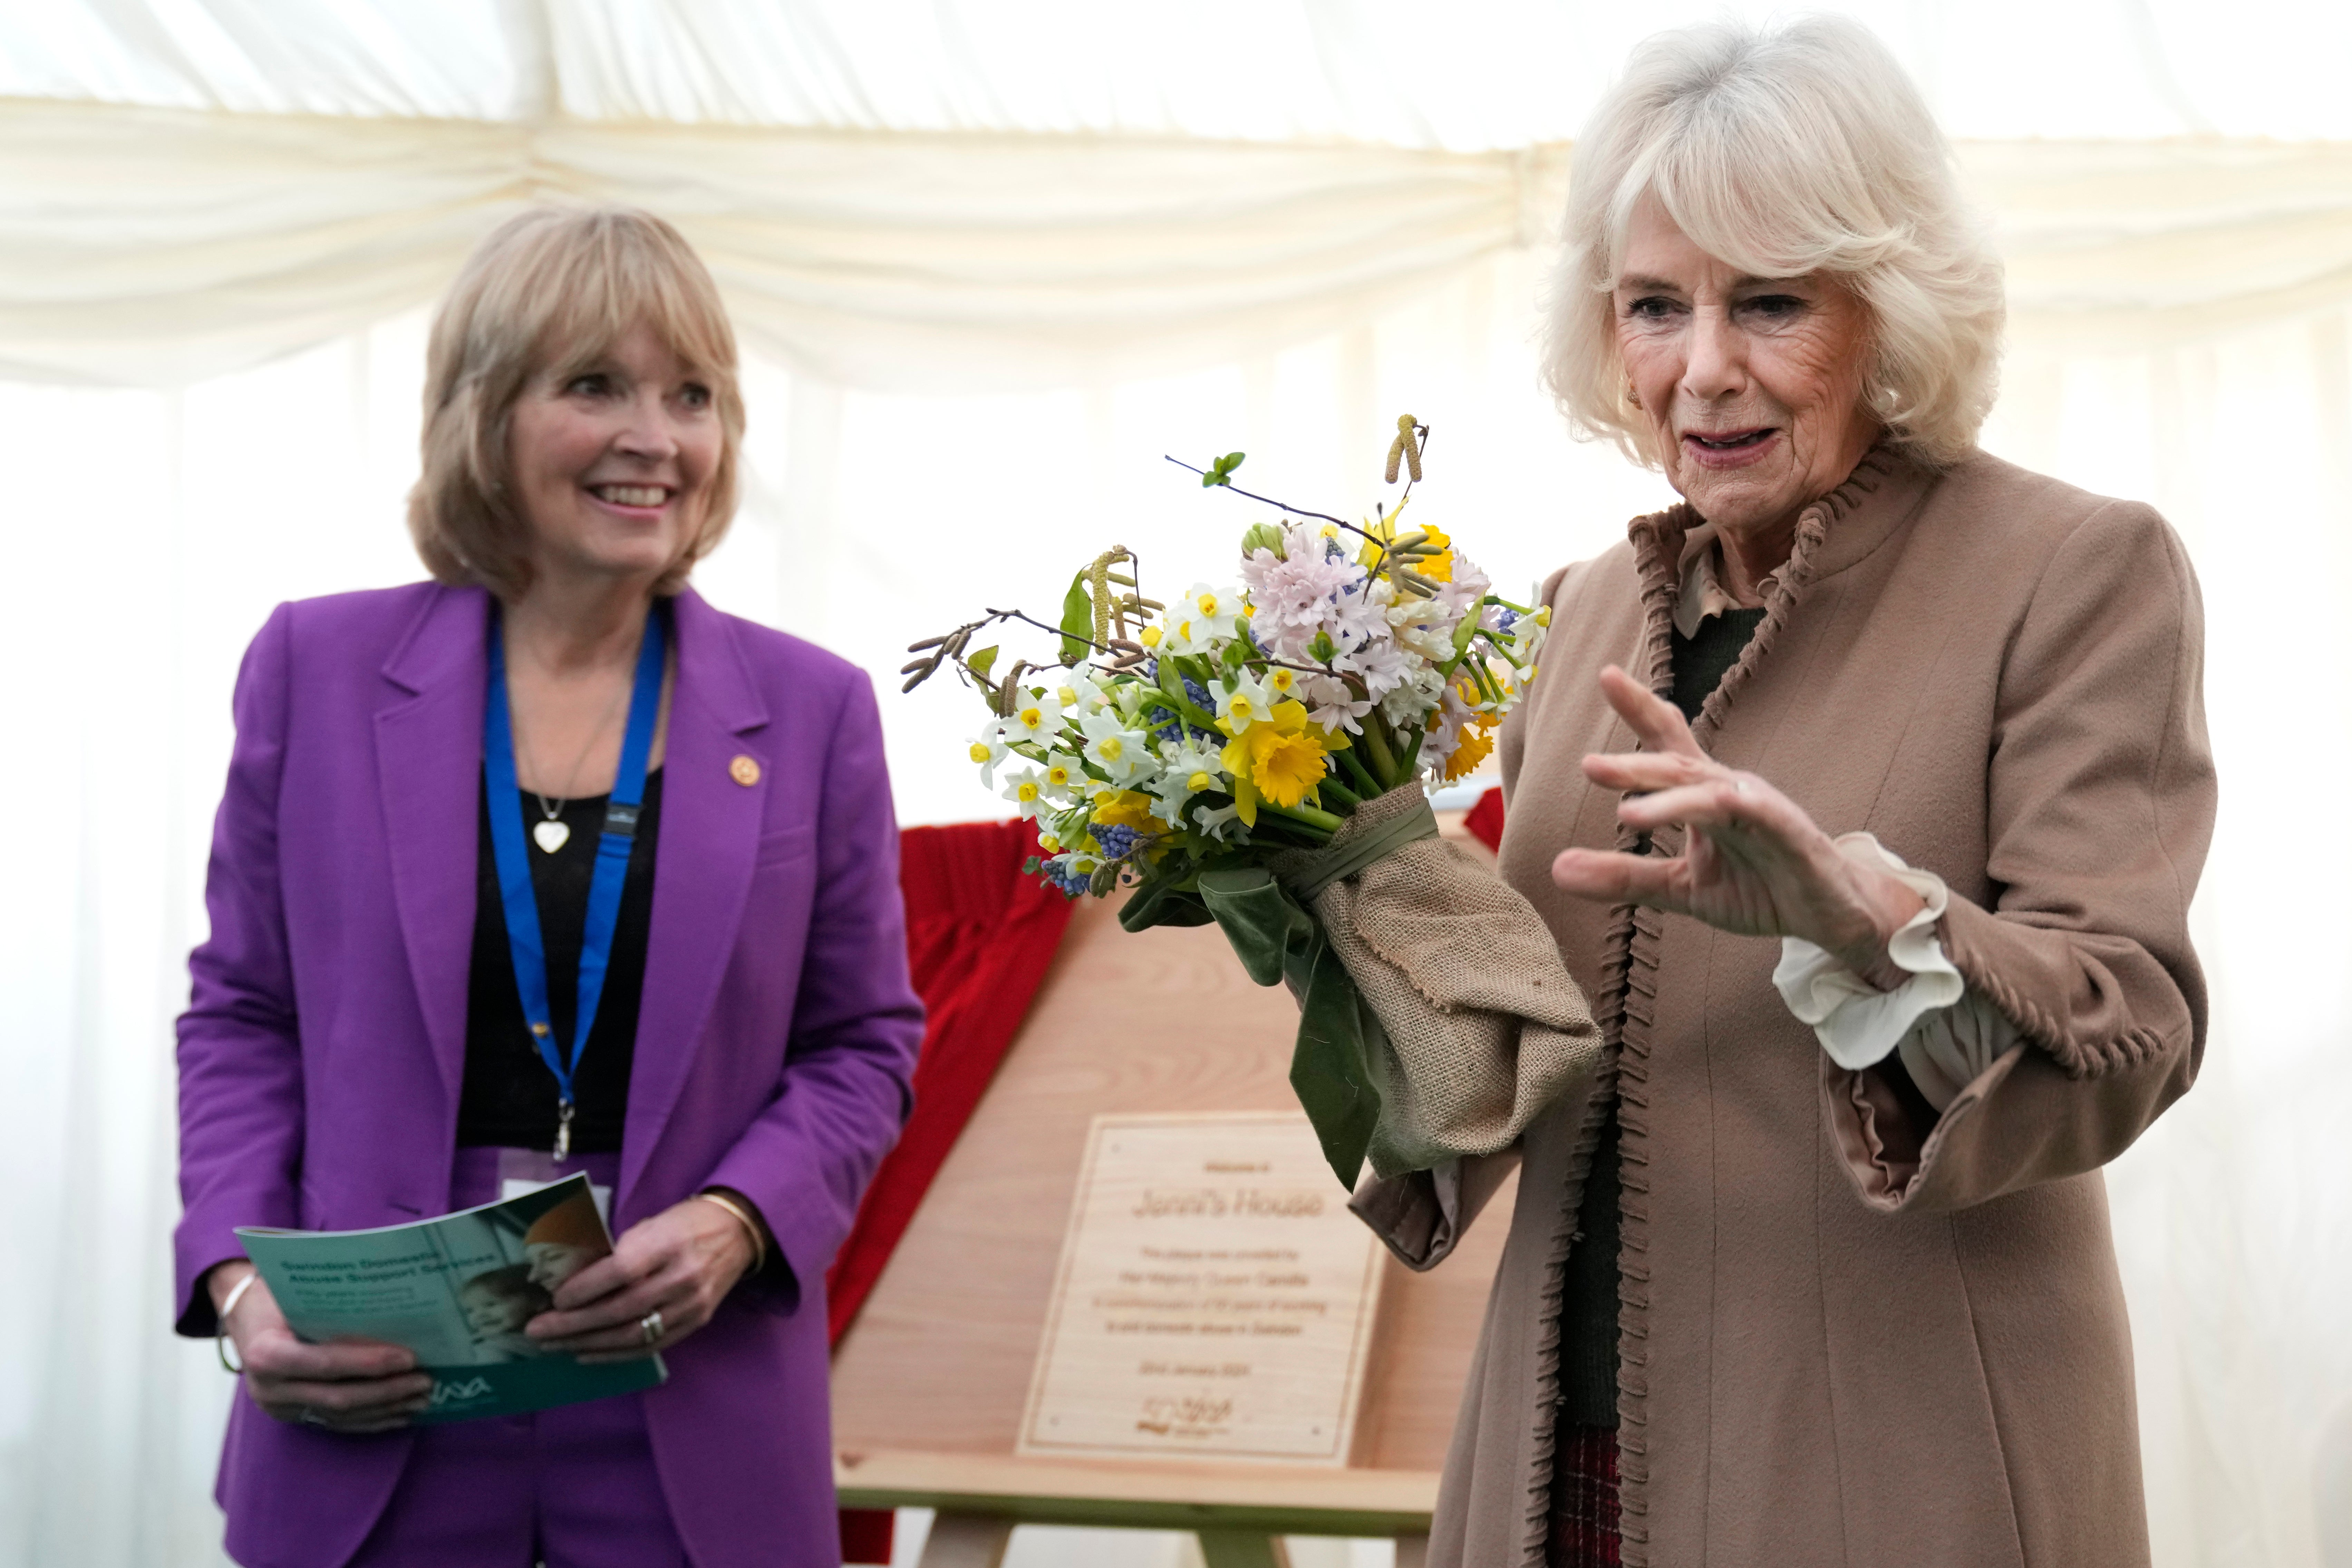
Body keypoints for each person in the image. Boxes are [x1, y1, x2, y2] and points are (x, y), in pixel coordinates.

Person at [1354, 19, 2214, 1568]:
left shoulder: (2075, 573)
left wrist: (1870, 919)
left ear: (1889, 309)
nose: (1704, 369)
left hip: (1896, 1469)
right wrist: (1333, 890)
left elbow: (2129, 1030)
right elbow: (1511, 1065)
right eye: (1654, 308)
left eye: (1769, 302)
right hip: (1559, 1468)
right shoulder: (1574, 619)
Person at [174, 206, 925, 1568]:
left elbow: (864, 1041)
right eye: (595, 385)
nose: (657, 437)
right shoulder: (315, 668)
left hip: (682, 1392)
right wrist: (238, 1291)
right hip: (374, 1383)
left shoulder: (813, 710)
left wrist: (739, 1217)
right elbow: (240, 1014)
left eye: (690, 394)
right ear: (485, 414)